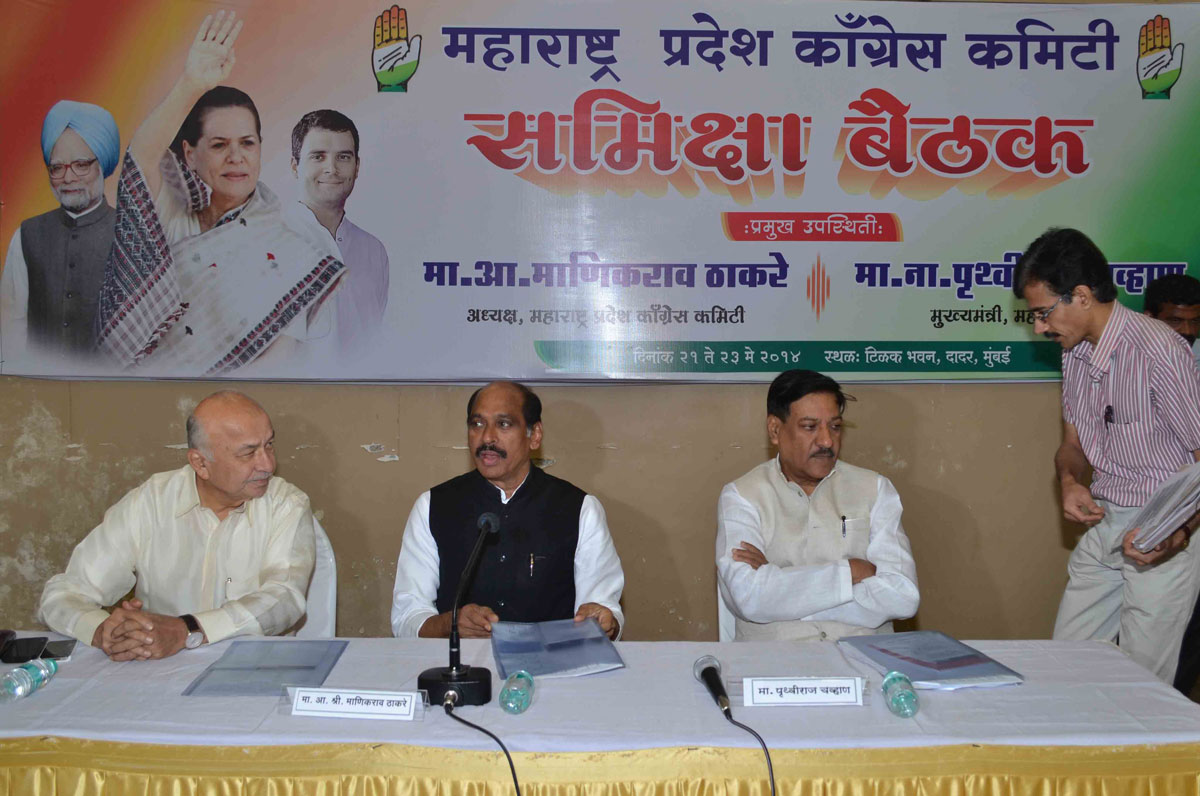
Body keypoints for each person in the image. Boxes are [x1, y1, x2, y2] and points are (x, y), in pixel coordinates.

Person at [94, 11, 345, 375]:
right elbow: (141, 157)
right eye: (219, 145)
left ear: (260, 148)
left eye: (247, 143)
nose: (236, 157)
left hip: (236, 407)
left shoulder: (296, 243)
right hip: (138, 398)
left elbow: (277, 362)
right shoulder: (168, 211)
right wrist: (190, 83)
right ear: (189, 153)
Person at [1013, 227, 1200, 683]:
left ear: (1080, 295)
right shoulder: (1074, 351)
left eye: (1042, 313)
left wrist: (1182, 530)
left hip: (1163, 529)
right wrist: (1071, 481)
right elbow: (1073, 446)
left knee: (1143, 684)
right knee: (1066, 666)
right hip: (1104, 521)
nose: (1039, 327)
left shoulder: (1160, 350)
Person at [39, 391, 316, 660]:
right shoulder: (151, 502)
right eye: (248, 453)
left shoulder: (286, 503)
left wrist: (187, 629)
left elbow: (284, 598)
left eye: (268, 444)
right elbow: (64, 594)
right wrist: (104, 630)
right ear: (200, 463)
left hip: (253, 667)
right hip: (156, 671)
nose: (267, 463)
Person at [391, 381, 625, 639]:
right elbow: (406, 617)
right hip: (461, 669)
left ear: (534, 435)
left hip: (551, 671)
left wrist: (605, 620)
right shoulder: (433, 505)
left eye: (503, 424)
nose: (487, 437)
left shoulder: (580, 509)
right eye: (477, 424)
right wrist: (451, 624)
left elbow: (605, 610)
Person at [716, 369, 919, 641]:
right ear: (775, 430)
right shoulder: (741, 496)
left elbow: (902, 596)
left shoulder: (876, 489)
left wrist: (784, 590)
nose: (826, 441)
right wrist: (852, 572)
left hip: (863, 660)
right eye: (810, 427)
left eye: (835, 427)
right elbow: (750, 598)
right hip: (775, 666)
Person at [1, 100, 119, 361]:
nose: (68, 178)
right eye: (57, 168)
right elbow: (11, 328)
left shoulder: (129, 233)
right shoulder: (27, 234)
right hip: (39, 390)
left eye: (81, 164)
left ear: (103, 165)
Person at [284, 109, 390, 353]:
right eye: (318, 157)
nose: (331, 168)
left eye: (343, 157)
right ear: (294, 166)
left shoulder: (373, 250)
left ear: (357, 166)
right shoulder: (267, 244)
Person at [1143, 273, 1200, 369]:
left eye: (1195, 321)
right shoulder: (1126, 358)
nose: (1188, 331)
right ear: (1149, 319)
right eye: (1175, 320)